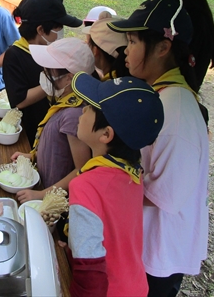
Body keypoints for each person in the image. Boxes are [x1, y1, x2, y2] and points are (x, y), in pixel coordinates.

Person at [110, 0, 209, 297]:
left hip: (159, 252)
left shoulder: (175, 110)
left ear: (163, 47)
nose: (125, 50)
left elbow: (165, 193)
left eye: (132, 41)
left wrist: (105, 192)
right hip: (148, 242)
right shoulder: (161, 96)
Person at [66, 72, 164, 297]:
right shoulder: (131, 172)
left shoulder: (86, 186)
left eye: (90, 108)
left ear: (106, 134)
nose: (82, 110)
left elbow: (89, 276)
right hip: (135, 286)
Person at [11, 37, 95, 204]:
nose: (44, 73)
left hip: (53, 200)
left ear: (69, 78)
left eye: (49, 70)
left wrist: (41, 195)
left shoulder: (73, 115)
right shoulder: (63, 102)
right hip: (44, 185)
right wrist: (31, 156)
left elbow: (81, 169)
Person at [3, 0, 83, 145]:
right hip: (33, 134)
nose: (61, 33)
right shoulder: (15, 55)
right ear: (40, 30)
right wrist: (50, 84)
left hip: (59, 130)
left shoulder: (54, 49)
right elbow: (19, 101)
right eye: (58, 28)